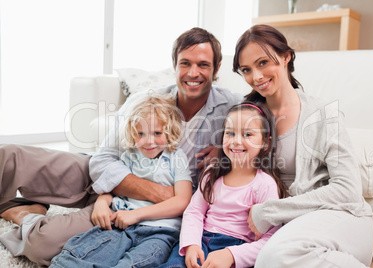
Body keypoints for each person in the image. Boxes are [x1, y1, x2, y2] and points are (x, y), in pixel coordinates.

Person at [0, 27, 242, 266]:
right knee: (9, 155)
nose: (193, 72)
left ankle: (22, 213)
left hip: (138, 208)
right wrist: (139, 193)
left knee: (43, 244)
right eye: (185, 63)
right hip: (110, 175)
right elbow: (104, 159)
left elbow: (255, 143)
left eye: (203, 65)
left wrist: (224, 152)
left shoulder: (232, 107)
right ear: (175, 65)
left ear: (217, 68)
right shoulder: (145, 101)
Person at [232, 24, 373, 267]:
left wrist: (268, 212)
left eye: (263, 62)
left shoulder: (323, 114)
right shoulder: (247, 116)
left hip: (338, 217)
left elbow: (348, 190)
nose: (256, 77)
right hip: (288, 226)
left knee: (274, 257)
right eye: (247, 69)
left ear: (286, 57)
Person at [50, 93, 193, 267]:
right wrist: (101, 203)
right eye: (141, 134)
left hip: (160, 231)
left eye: (157, 133)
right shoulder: (129, 156)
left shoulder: (176, 158)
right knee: (74, 255)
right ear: (133, 133)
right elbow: (112, 189)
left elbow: (183, 201)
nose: (149, 142)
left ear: (169, 132)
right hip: (121, 226)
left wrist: (135, 215)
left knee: (132, 264)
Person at [159, 102, 287, 268]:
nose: (236, 141)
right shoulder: (212, 173)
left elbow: (270, 238)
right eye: (230, 133)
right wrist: (191, 244)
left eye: (247, 134)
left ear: (265, 143)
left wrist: (232, 255)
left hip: (235, 250)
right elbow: (195, 211)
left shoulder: (265, 185)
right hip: (200, 240)